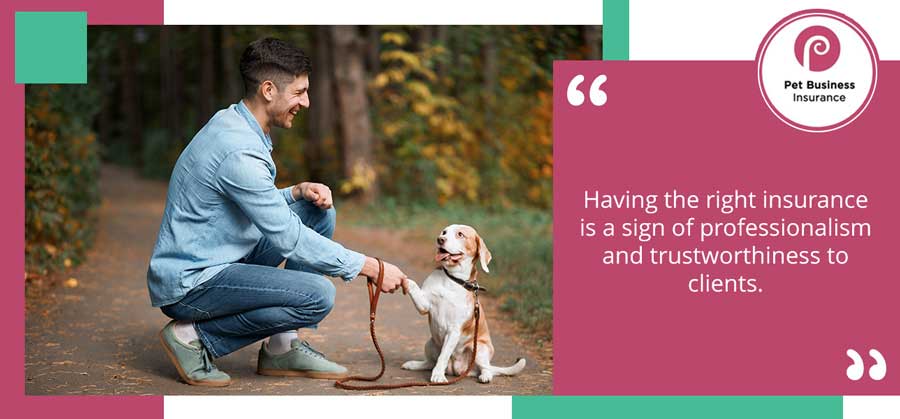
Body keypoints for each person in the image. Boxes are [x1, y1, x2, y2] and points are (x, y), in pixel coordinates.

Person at [146, 37, 408, 387]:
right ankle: (192, 336)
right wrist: (370, 267)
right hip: (193, 282)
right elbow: (288, 237)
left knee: (316, 213)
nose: (307, 102)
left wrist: (295, 192)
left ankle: (283, 346)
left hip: (220, 257)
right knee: (317, 295)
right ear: (269, 90)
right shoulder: (238, 149)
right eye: (299, 92)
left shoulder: (235, 123)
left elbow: (249, 206)